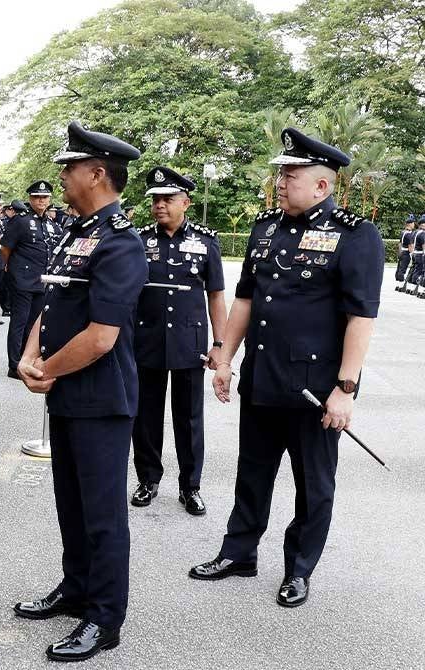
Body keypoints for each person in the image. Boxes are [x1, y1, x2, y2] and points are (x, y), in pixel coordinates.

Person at [189, 127, 385, 609]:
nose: (281, 180)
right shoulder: (266, 227)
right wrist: (225, 360)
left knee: (313, 484)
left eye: (292, 174)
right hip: (263, 375)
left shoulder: (355, 235)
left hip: (315, 388)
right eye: (281, 172)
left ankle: (299, 568)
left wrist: (347, 388)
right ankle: (239, 552)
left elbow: (361, 316)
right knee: (251, 471)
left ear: (322, 185)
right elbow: (246, 299)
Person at [13, 121, 145, 663]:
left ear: (97, 173)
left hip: (100, 398)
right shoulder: (75, 233)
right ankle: (75, 588)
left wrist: (46, 370)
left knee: (103, 513)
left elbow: (100, 336)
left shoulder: (121, 243)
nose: (61, 176)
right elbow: (51, 305)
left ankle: (104, 617)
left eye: (69, 167)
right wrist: (28, 352)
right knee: (70, 503)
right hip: (69, 393)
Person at [131, 167, 227, 515]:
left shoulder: (205, 242)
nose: (159, 205)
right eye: (155, 199)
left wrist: (220, 345)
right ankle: (148, 479)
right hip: (147, 339)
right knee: (146, 415)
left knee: (189, 418)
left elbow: (216, 296)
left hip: (190, 342)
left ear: (185, 202)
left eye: (167, 199)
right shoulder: (139, 240)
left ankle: (190, 486)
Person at [1, 181, 57, 379]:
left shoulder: (50, 224)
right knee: (19, 322)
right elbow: (6, 248)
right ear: (30, 199)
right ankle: (14, 364)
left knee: (33, 325)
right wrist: (10, 270)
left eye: (44, 197)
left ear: (49, 199)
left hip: (41, 281)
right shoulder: (21, 220)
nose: (41, 200)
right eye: (37, 197)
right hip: (22, 279)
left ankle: (28, 360)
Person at [395, 216, 415, 289]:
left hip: (402, 251)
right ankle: (401, 285)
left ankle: (398, 283)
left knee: (399, 268)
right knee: (403, 268)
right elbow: (410, 246)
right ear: (409, 224)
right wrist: (413, 254)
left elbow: (400, 243)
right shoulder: (409, 234)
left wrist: (399, 253)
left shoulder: (403, 232)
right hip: (406, 252)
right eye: (413, 223)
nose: (414, 225)